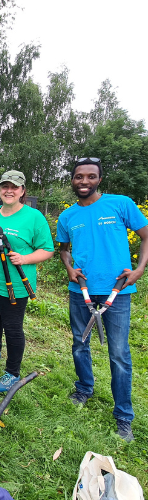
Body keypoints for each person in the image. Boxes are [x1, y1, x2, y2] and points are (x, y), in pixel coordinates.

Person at [57, 157, 148, 442]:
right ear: (72, 180)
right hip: (81, 290)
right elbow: (64, 250)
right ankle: (84, 388)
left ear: (99, 179)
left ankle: (123, 415)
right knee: (79, 343)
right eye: (79, 177)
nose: (84, 181)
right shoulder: (67, 216)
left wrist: (139, 269)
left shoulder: (120, 204)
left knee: (119, 355)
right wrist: (70, 268)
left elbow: (146, 236)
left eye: (90, 176)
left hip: (117, 291)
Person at [0, 170, 54, 392]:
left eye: (14, 187)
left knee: (12, 327)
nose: (9, 190)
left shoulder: (34, 217)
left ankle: (12, 372)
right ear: (0, 189)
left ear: (22, 191)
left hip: (15, 285)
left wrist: (24, 258)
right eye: (4, 186)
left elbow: (47, 250)